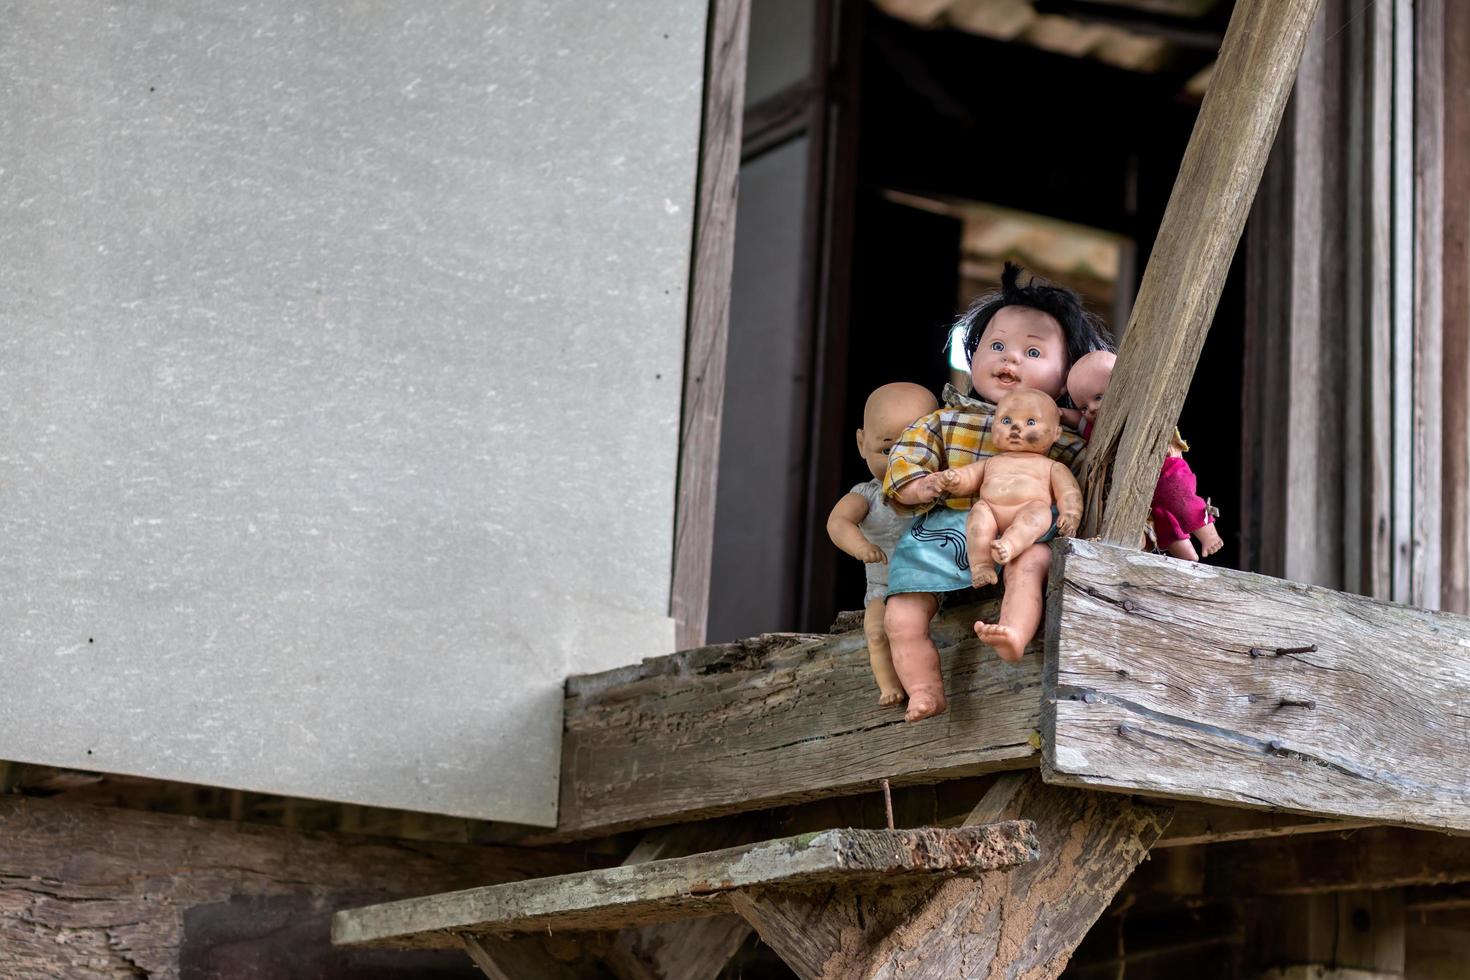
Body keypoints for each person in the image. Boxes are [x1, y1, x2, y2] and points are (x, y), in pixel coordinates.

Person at [882, 263, 1112, 722]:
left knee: (1033, 567)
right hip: (949, 530)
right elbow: (904, 466)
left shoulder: (1069, 442)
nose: (1010, 360)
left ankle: (1013, 631)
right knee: (901, 612)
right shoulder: (945, 420)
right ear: (974, 353)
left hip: (1026, 533)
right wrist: (925, 484)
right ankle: (924, 689)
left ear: (1067, 376)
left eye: (1032, 351)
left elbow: (1088, 491)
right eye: (998, 345)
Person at [826, 382, 939, 706]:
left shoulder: (938, 490)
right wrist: (859, 546)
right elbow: (838, 522)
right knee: (876, 631)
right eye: (887, 450)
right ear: (862, 443)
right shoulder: (868, 495)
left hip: (926, 583)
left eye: (914, 450)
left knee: (909, 625)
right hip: (883, 585)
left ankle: (922, 686)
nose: (899, 463)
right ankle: (889, 685)